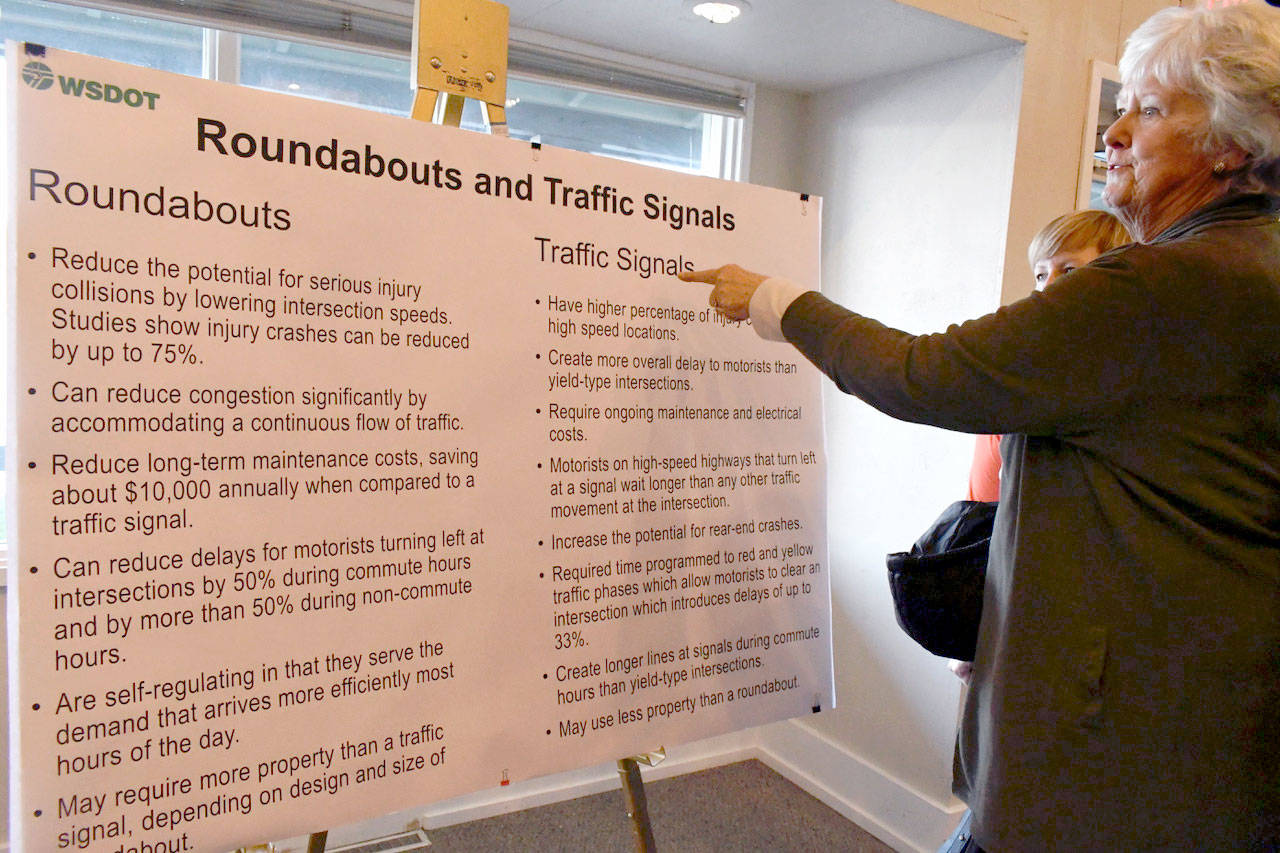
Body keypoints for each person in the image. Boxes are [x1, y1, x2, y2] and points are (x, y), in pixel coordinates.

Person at [681, 5, 1280, 850]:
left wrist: (778, 301)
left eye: (1148, 108)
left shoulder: (1163, 286)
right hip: (1204, 713)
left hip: (1121, 748)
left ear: (1231, 141)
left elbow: (926, 373)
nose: (1113, 132)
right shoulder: (1252, 266)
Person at [966, 210, 1131, 501]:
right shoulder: (1018, 369)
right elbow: (981, 500)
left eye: (1068, 270)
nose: (1048, 287)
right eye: (1041, 274)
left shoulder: (1129, 370)